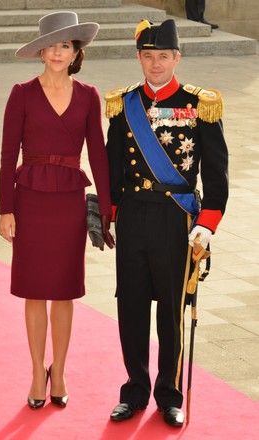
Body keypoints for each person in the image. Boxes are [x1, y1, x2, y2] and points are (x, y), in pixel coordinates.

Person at [105, 18, 228, 427]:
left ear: (177, 57)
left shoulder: (200, 103)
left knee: (173, 310)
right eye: (147, 56)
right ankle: (135, 390)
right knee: (133, 307)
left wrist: (206, 224)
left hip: (177, 220)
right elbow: (112, 167)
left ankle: (169, 394)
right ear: (138, 57)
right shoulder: (124, 105)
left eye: (163, 56)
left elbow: (216, 174)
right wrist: (107, 213)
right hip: (135, 216)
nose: (155, 64)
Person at [0, 11, 114, 410]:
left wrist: (109, 207)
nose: (57, 51)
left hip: (69, 201)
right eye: (51, 45)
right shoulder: (21, 93)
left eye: (65, 44)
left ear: (75, 51)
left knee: (64, 291)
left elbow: (98, 155)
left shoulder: (88, 95)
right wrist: (5, 208)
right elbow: (6, 154)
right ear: (41, 51)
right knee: (34, 290)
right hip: (29, 199)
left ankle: (59, 371)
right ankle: (35, 372)